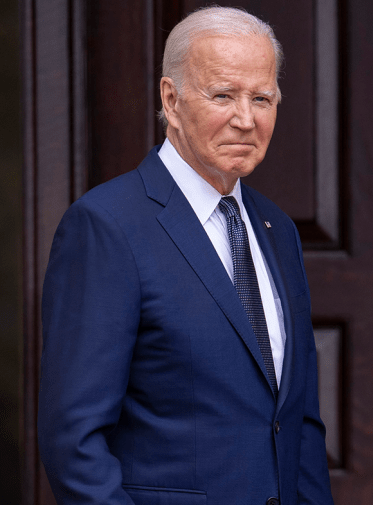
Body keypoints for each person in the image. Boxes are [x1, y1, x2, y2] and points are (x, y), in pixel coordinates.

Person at [37, 6, 334, 504]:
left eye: (262, 98)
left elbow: (298, 423)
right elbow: (75, 442)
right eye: (223, 95)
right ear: (171, 101)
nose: (246, 119)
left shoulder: (276, 229)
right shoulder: (108, 226)